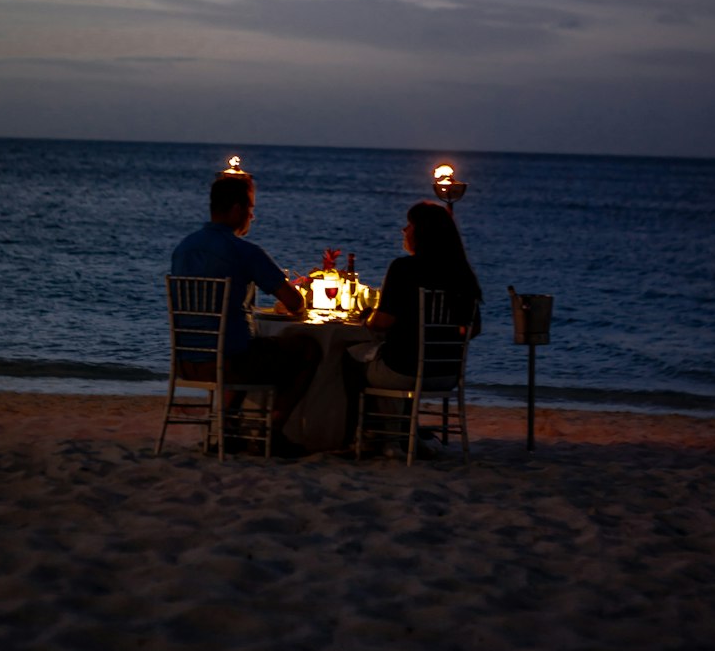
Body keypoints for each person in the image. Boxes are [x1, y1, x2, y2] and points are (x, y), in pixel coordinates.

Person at [171, 174, 320, 451]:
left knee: (241, 344)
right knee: (307, 349)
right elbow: (294, 303)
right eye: (251, 211)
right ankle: (273, 430)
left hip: (186, 362)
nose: (252, 218)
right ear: (238, 210)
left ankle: (228, 429)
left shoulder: (183, 248)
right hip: (228, 365)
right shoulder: (244, 251)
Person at [344, 200, 482, 451]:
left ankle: (361, 437)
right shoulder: (461, 273)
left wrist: (366, 318)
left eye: (409, 225)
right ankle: (405, 433)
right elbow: (473, 329)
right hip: (446, 375)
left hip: (404, 371)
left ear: (421, 232)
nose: (404, 231)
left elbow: (382, 322)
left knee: (348, 361)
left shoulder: (404, 268)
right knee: (399, 358)